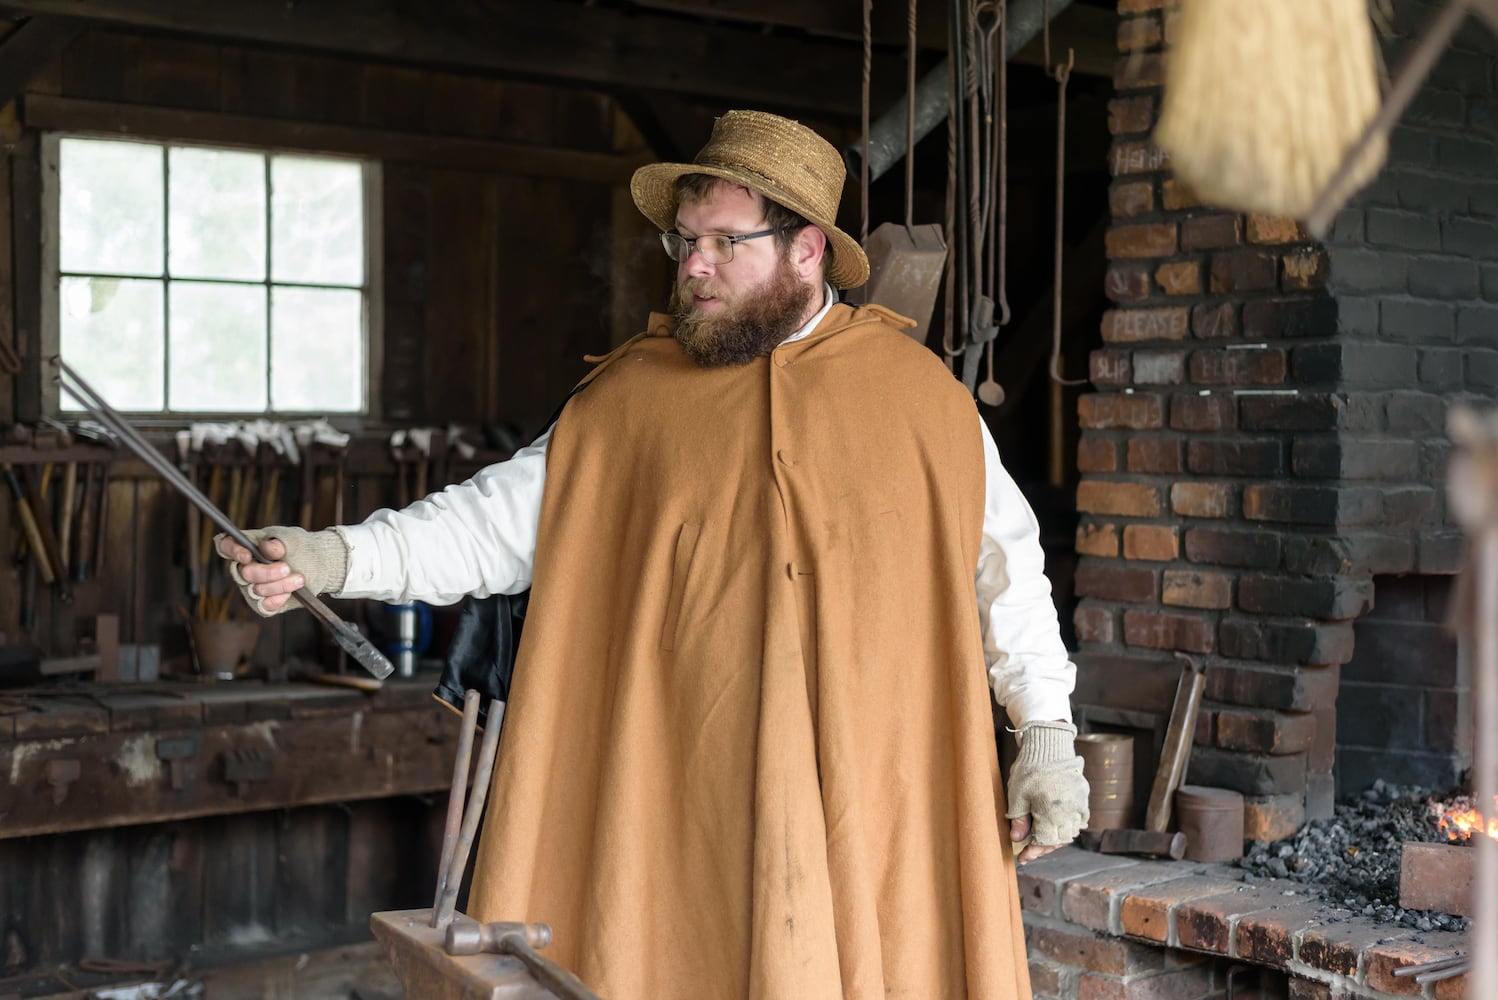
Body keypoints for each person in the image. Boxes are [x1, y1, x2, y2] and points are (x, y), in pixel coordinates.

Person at [217, 110, 1088, 1000]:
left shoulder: (922, 401)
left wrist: (1047, 734)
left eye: (723, 243)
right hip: (678, 806)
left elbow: (1007, 571)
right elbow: (487, 526)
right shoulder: (627, 399)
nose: (692, 267)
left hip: (873, 803)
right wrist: (331, 559)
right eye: (684, 241)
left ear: (808, 251)